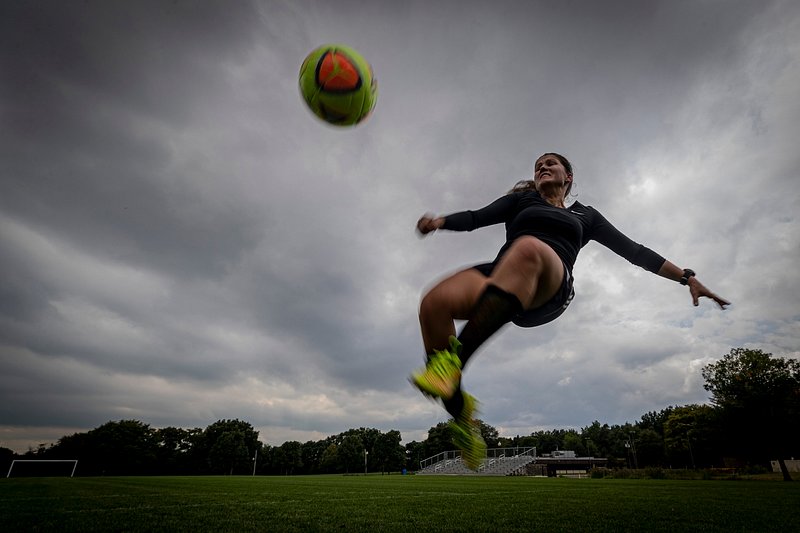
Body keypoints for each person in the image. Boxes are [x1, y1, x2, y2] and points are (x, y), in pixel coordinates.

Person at [409, 152, 730, 470]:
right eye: (538, 165)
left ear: (569, 177)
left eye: (551, 163)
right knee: (434, 303)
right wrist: (440, 222)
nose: (542, 167)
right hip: (503, 278)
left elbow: (635, 251)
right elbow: (476, 217)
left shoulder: (585, 216)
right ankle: (463, 418)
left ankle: (454, 366)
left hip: (551, 286)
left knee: (529, 247)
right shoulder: (522, 200)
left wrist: (686, 277)